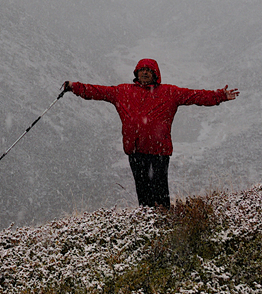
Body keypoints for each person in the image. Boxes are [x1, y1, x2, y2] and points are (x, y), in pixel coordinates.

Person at [63, 59, 238, 208]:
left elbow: (196, 96)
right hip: (136, 151)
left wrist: (220, 95)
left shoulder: (170, 92)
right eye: (142, 70)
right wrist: (73, 86)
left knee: (160, 191)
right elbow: (96, 91)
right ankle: (148, 223)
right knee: (143, 191)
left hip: (159, 152)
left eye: (149, 70)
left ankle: (163, 223)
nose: (145, 73)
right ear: (136, 73)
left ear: (156, 74)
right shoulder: (122, 92)